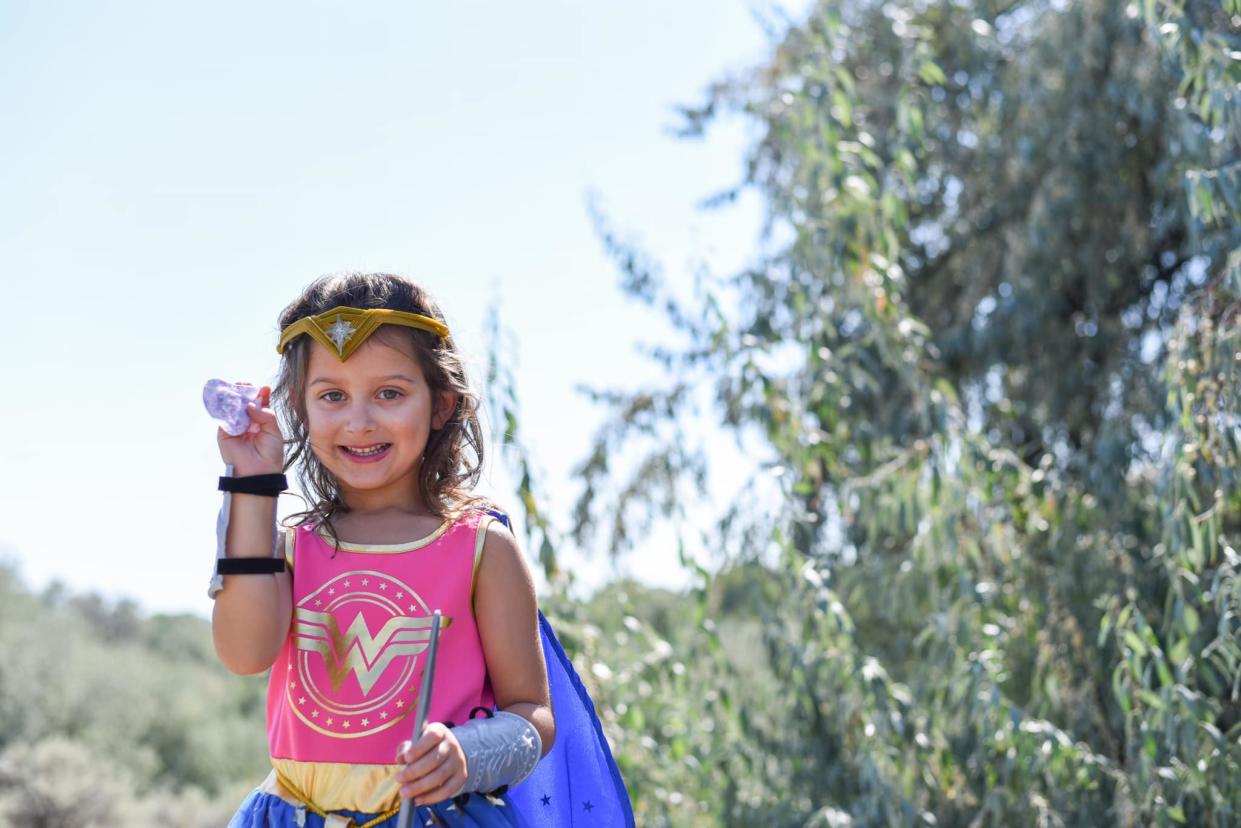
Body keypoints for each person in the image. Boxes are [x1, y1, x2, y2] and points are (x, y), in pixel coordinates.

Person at [209, 272, 634, 827]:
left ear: (440, 404)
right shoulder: (292, 547)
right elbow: (244, 654)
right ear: (299, 407)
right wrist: (253, 480)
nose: (360, 421)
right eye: (332, 395)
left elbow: (534, 715)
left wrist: (469, 753)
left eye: (390, 393)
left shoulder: (482, 547)